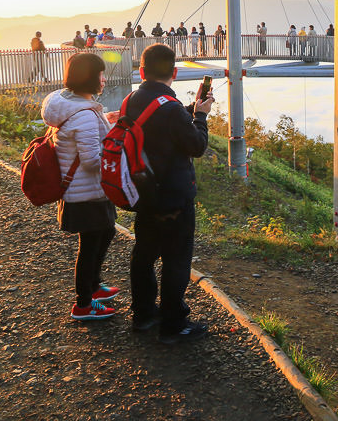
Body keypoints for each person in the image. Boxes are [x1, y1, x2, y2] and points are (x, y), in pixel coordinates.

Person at [127, 44, 213, 342]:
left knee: (145, 254)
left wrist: (190, 110)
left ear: (141, 72)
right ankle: (174, 326)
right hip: (174, 198)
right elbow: (197, 146)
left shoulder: (131, 101)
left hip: (143, 194)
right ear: (174, 73)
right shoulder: (172, 109)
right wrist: (201, 117)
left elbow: (156, 124)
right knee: (176, 260)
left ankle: (143, 315)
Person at [40, 53, 119, 321]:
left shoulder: (68, 103)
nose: (104, 79)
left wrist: (107, 120)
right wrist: (118, 152)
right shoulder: (83, 114)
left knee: (106, 232)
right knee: (89, 246)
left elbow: (82, 137)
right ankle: (83, 304)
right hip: (86, 192)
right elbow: (90, 161)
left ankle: (94, 288)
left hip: (84, 190)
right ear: (90, 78)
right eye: (100, 74)